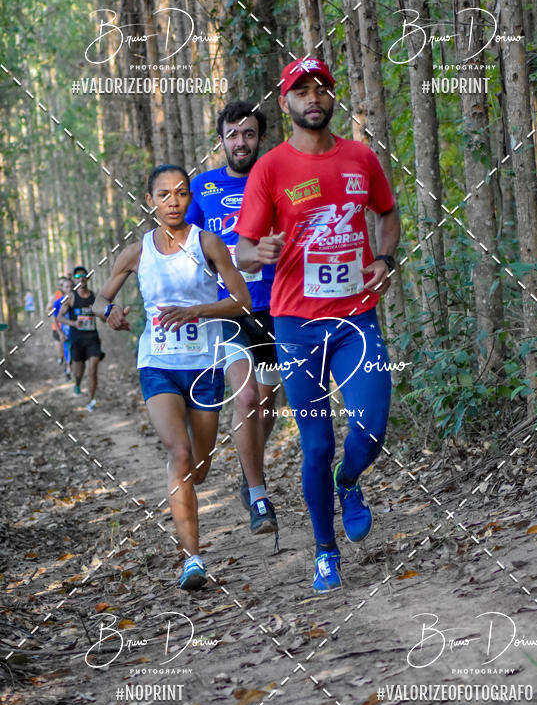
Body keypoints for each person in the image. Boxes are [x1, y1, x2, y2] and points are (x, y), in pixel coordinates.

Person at [236, 57, 400, 594]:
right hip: (295, 326)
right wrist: (257, 251)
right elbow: (241, 251)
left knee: (372, 421)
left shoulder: (360, 158)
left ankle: (349, 481)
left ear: (332, 98)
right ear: (285, 103)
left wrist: (386, 258)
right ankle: (325, 551)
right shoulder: (271, 168)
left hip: (355, 317)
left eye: (321, 89)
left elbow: (387, 212)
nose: (313, 97)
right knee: (316, 443)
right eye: (300, 90)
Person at [93, 165, 251, 590]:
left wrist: (197, 311)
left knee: (198, 468)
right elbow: (100, 299)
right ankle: (192, 560)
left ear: (189, 198)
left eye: (181, 193)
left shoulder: (209, 243)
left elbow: (243, 300)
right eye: (164, 195)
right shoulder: (138, 251)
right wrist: (112, 312)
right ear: (151, 201)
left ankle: (194, 484)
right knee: (178, 455)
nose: (174, 201)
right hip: (158, 364)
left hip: (204, 365)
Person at [186, 101, 279, 536]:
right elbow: (185, 244)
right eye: (233, 134)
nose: (241, 142)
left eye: (249, 134)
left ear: (260, 139)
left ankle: (249, 470)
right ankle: (260, 497)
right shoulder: (202, 187)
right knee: (244, 399)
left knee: (265, 403)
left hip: (277, 306)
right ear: (220, 139)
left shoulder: (277, 177)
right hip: (228, 310)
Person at [59, 267, 103, 411]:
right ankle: (77, 383)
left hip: (92, 339)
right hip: (77, 340)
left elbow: (102, 318)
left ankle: (92, 400)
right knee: (79, 371)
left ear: (87, 279)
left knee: (93, 368)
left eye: (84, 276)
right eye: (78, 276)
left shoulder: (93, 296)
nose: (81, 278)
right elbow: (59, 316)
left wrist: (104, 314)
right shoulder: (71, 297)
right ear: (75, 279)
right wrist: (73, 323)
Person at [55, 277, 74, 379]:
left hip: (77, 331)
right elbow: (55, 319)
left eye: (71, 286)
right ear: (62, 288)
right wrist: (60, 333)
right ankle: (68, 370)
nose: (69, 289)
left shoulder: (77, 300)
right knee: (68, 351)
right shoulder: (58, 302)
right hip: (66, 332)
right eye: (66, 287)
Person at [47, 278, 67, 365]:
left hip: (69, 325)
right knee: (60, 346)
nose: (62, 286)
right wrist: (55, 312)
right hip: (57, 325)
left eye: (64, 284)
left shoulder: (71, 294)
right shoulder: (55, 296)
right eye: (60, 284)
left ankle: (69, 367)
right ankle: (61, 358)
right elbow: (48, 310)